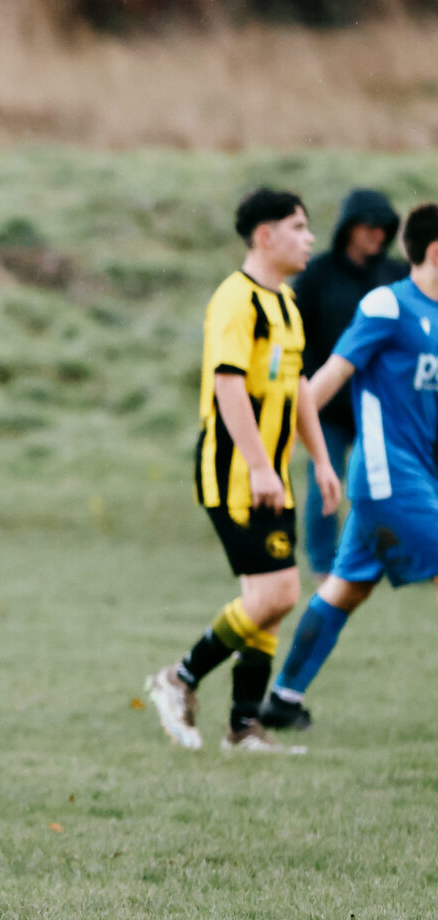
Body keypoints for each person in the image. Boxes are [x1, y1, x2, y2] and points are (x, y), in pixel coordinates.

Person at [145, 188, 339, 755]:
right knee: (278, 592)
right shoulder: (235, 300)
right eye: (298, 227)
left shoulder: (286, 304)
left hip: (270, 472)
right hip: (235, 472)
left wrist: (322, 460)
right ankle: (179, 677)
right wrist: (258, 466)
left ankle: (242, 725)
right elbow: (227, 386)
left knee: (266, 597)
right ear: (265, 236)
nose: (309, 239)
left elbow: (298, 385)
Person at [259, 203, 438, 731]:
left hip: (414, 476)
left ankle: (283, 700)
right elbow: (326, 380)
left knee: (347, 586)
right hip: (387, 473)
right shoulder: (388, 305)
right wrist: (283, 448)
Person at [289, 189, 408, 575]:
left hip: (381, 403)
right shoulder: (316, 275)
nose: (378, 235)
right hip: (328, 401)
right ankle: (324, 561)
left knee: (387, 484)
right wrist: (306, 384)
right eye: (371, 226)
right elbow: (296, 335)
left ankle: (392, 556)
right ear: (350, 228)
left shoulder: (395, 276)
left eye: (385, 229)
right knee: (325, 478)